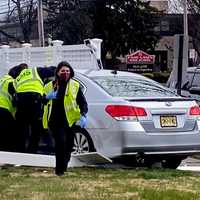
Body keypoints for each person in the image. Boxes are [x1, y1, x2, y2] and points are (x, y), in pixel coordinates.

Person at [43, 61, 88, 176]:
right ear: (58, 72)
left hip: (69, 120)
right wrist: (47, 97)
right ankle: (59, 171)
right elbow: (41, 100)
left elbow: (82, 102)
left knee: (69, 145)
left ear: (71, 72)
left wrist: (83, 114)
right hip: (54, 120)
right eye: (63, 71)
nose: (65, 73)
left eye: (67, 71)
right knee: (60, 144)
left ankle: (64, 166)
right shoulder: (49, 86)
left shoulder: (75, 85)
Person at [13, 63, 55, 153]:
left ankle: (20, 152)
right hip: (34, 100)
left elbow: (14, 93)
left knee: (22, 128)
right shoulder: (35, 71)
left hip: (21, 102)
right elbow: (52, 71)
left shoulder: (17, 79)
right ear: (26, 68)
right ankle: (32, 151)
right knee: (36, 127)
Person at [0, 65, 26, 151]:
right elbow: (16, 100)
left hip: (2, 109)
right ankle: (9, 156)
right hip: (3, 109)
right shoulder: (11, 82)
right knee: (11, 133)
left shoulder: (2, 79)